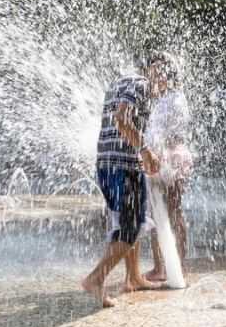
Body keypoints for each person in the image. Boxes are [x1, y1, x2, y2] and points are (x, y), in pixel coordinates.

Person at [82, 53, 172, 308]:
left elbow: (118, 122)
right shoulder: (142, 85)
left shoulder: (120, 82)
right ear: (154, 71)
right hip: (124, 165)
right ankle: (96, 278)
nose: (164, 83)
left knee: (129, 222)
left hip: (107, 163)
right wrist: (144, 150)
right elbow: (122, 120)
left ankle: (132, 277)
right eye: (164, 75)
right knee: (131, 227)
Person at [143, 90, 193, 283]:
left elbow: (172, 132)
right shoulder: (160, 99)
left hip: (172, 157)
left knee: (172, 211)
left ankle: (175, 265)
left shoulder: (176, 97)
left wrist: (159, 151)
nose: (154, 77)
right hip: (164, 156)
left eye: (158, 71)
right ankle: (163, 267)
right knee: (159, 212)